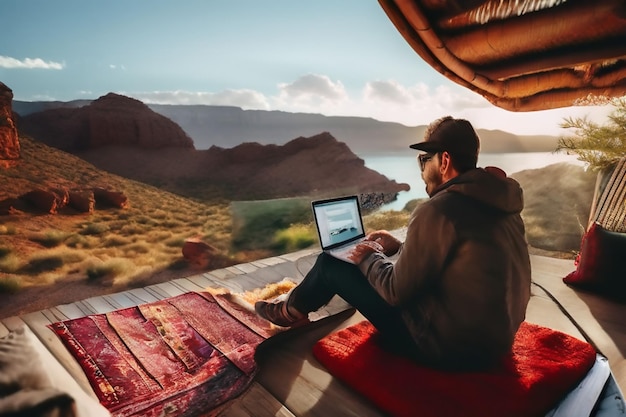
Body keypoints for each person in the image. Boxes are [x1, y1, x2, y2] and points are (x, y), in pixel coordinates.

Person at [255, 116, 531, 371]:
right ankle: (295, 305)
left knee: (330, 264)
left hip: (448, 348)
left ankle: (289, 311)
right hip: (495, 341)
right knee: (361, 263)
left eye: (424, 160)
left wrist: (367, 255)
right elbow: (461, 263)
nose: (422, 170)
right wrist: (399, 246)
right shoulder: (500, 202)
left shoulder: (440, 209)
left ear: (444, 161)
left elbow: (395, 291)